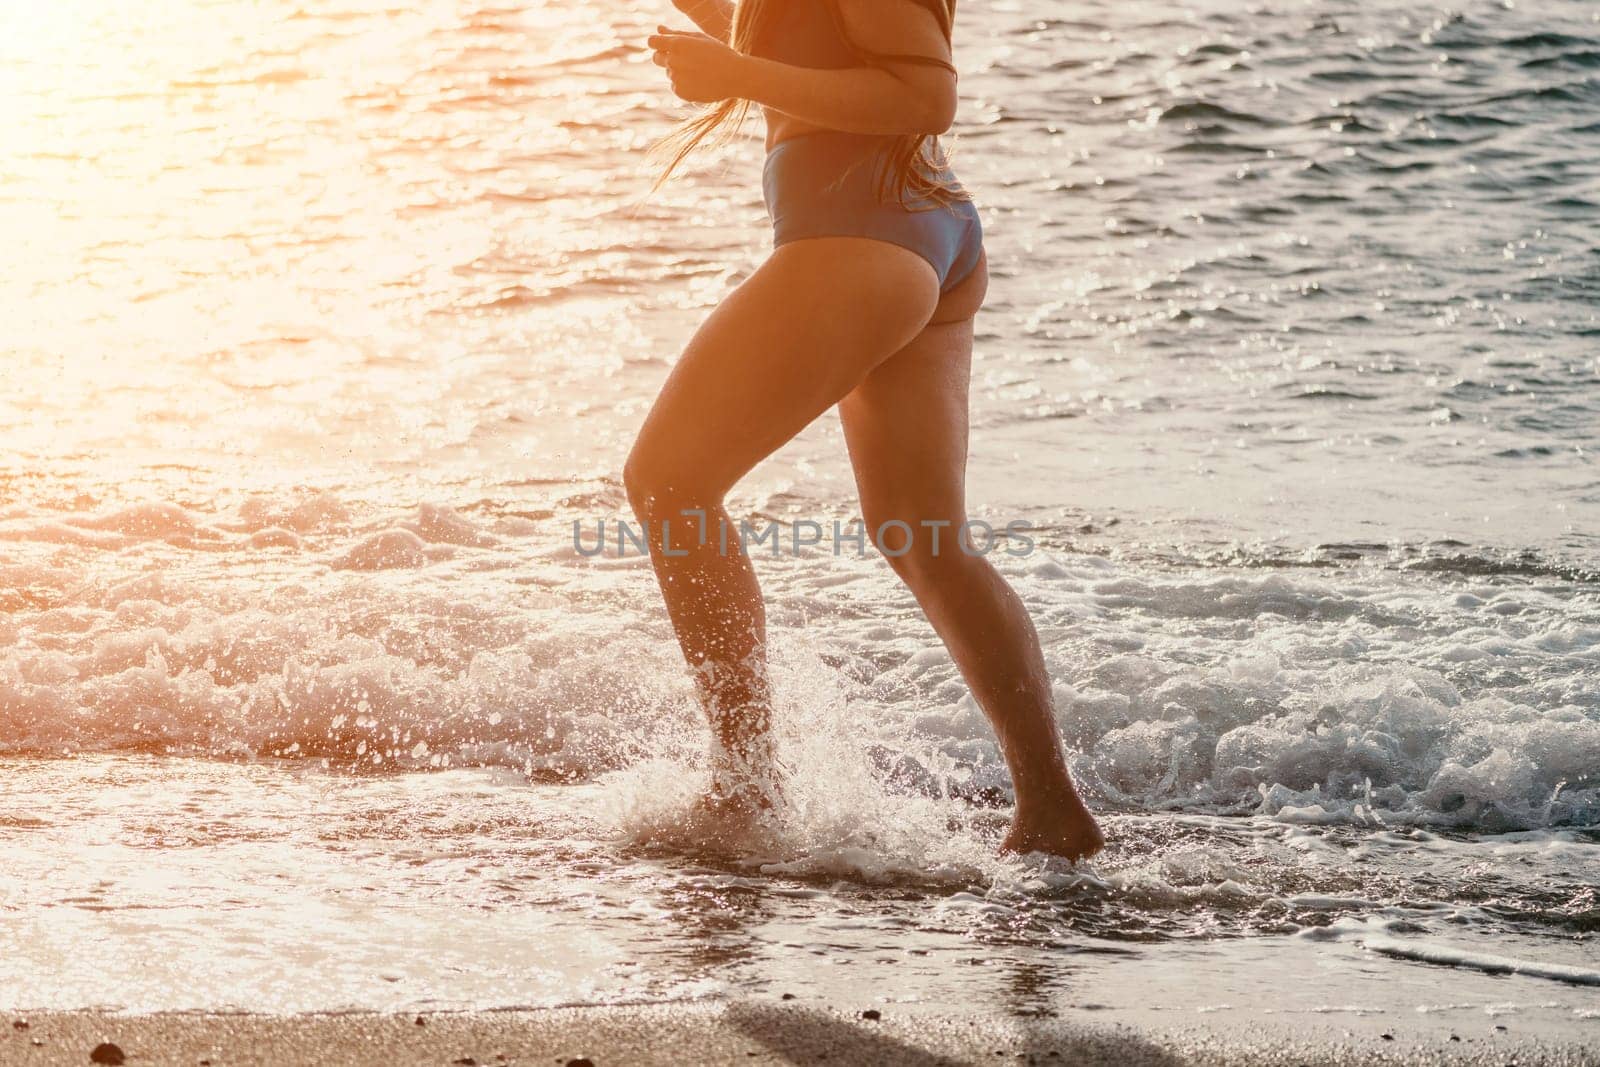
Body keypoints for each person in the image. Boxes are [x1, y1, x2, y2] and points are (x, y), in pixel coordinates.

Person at [628, 0, 1104, 860]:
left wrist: (734, 75)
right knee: (925, 538)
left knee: (669, 481)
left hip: (860, 234)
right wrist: (727, 46)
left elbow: (926, 97)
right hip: (919, 232)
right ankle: (1050, 813)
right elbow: (765, 20)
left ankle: (745, 791)